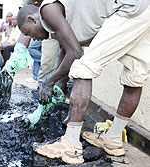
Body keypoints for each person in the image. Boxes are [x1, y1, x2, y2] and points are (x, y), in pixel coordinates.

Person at [17, 0, 150, 164]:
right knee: (135, 74)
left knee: (83, 67)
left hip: (128, 8)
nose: (33, 38)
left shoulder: (48, 9)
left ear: (32, 19)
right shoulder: (59, 22)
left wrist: (49, 81)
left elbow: (76, 52)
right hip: (143, 8)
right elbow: (66, 54)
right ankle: (113, 138)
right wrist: (55, 91)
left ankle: (70, 144)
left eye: (29, 33)